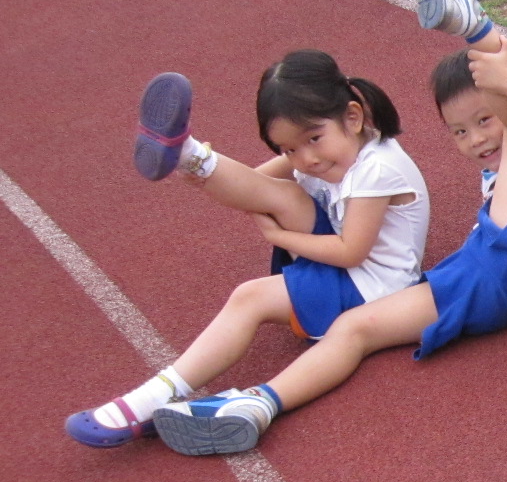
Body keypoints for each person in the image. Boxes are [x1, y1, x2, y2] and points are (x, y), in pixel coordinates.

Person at [137, 0, 507, 455]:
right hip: (476, 276)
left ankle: (473, 23)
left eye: (484, 120)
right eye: (460, 131)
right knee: (353, 330)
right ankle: (258, 403)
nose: (475, 140)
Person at [64, 48, 430, 448]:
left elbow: (350, 252)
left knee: (249, 297)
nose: (305, 159)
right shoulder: (339, 146)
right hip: (347, 264)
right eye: (288, 150)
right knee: (284, 195)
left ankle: (151, 398)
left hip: (373, 290)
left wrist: (278, 236)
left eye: (313, 139)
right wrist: (222, 181)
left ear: (353, 117)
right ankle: (190, 156)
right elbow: (260, 182)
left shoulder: (376, 169)